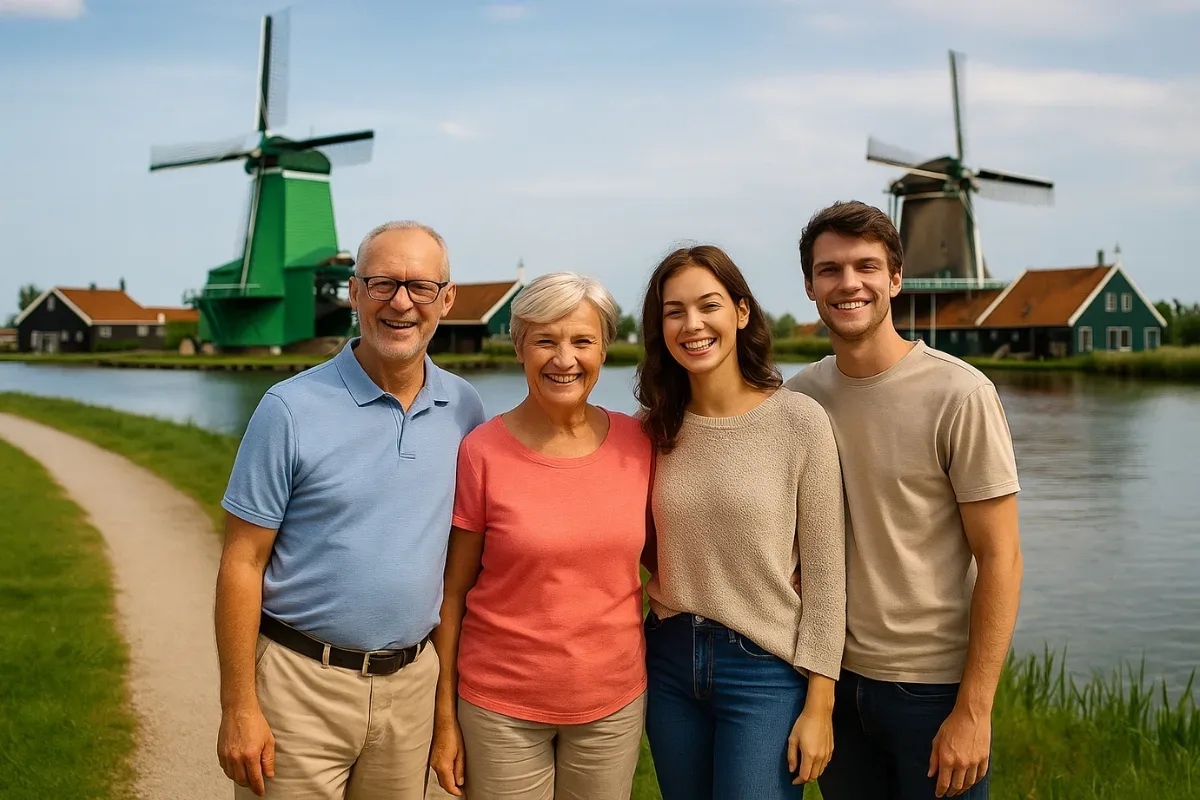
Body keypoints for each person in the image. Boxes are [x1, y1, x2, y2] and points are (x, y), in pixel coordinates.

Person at [213, 221, 486, 799]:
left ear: (446, 299)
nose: (401, 303)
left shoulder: (465, 408)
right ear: (355, 293)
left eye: (420, 286)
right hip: (299, 683)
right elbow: (241, 561)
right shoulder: (288, 409)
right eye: (382, 283)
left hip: (411, 686)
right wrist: (238, 706)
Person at [786, 201, 1023, 799]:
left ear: (895, 279)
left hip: (933, 690)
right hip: (831, 682)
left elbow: (1001, 558)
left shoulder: (960, 394)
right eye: (830, 269)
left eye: (866, 266)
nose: (848, 283)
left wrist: (974, 710)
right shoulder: (799, 397)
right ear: (810, 286)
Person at [634, 245, 847, 800]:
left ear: (742, 312)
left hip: (765, 671)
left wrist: (821, 704)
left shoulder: (798, 421)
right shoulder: (650, 430)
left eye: (709, 305)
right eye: (675, 311)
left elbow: (827, 576)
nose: (692, 324)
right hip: (669, 661)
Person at [429, 271, 652, 800]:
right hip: (499, 707)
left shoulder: (638, 442)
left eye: (582, 341)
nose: (564, 359)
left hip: (612, 706)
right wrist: (444, 717)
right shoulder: (481, 452)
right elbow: (453, 594)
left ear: (605, 349)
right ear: (519, 348)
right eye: (545, 341)